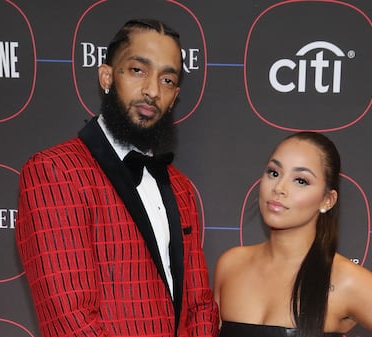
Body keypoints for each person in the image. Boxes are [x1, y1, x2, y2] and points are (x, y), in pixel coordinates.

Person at [15, 19, 219, 337]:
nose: (152, 90)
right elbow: (70, 320)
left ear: (175, 96)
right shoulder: (54, 172)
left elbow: (199, 306)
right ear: (107, 76)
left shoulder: (180, 188)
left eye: (167, 79)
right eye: (138, 70)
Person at [214, 132, 372, 337]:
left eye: (300, 180)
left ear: (326, 200)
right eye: (274, 172)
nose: (279, 187)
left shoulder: (346, 281)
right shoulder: (231, 265)